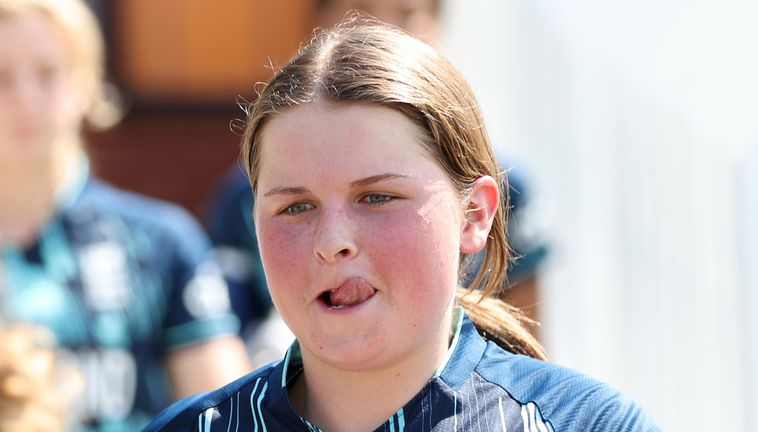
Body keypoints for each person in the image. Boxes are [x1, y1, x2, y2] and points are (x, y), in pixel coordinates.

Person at [145, 18, 659, 431]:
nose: (332, 243)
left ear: (475, 215)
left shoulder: (587, 423)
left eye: (377, 197)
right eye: (296, 206)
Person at [0, 0, 250, 430]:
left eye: (48, 73)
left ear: (87, 80)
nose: (26, 98)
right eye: (1, 77)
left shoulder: (161, 241)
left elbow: (228, 416)